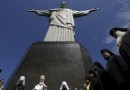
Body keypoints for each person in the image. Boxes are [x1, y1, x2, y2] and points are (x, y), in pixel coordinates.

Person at [27, 2, 99, 41]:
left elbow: (80, 12)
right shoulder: (54, 10)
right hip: (55, 24)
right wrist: (35, 10)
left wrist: (90, 10)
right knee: (51, 36)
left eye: (64, 4)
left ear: (66, 5)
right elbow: (44, 12)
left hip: (67, 24)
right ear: (60, 5)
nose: (63, 4)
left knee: (68, 38)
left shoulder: (70, 11)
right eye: (62, 3)